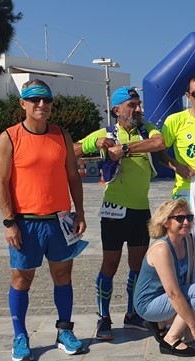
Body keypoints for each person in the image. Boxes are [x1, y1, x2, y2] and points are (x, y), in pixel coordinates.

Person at [0, 79, 88, 361]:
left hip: (59, 220)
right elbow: (1, 182)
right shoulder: (9, 137)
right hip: (25, 222)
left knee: (63, 276)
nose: (41, 104)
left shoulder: (61, 135)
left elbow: (73, 176)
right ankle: (20, 335)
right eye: (35, 99)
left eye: (47, 99)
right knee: (22, 278)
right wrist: (9, 223)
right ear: (23, 103)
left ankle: (64, 331)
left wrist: (80, 212)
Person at [74, 87, 166, 341]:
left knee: (137, 266)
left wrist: (123, 149)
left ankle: (132, 314)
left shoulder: (147, 129)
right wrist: (95, 143)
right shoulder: (106, 132)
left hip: (141, 210)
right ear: (117, 110)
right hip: (114, 211)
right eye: (131, 105)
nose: (138, 109)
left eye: (138, 104)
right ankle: (104, 318)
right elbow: (69, 150)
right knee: (110, 265)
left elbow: (159, 143)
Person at [133, 199, 195, 357]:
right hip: (148, 303)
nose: (186, 222)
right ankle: (170, 339)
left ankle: (162, 323)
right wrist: (193, 325)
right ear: (165, 222)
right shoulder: (161, 249)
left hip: (165, 297)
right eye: (179, 218)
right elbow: (173, 294)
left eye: (189, 217)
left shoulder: (186, 240)